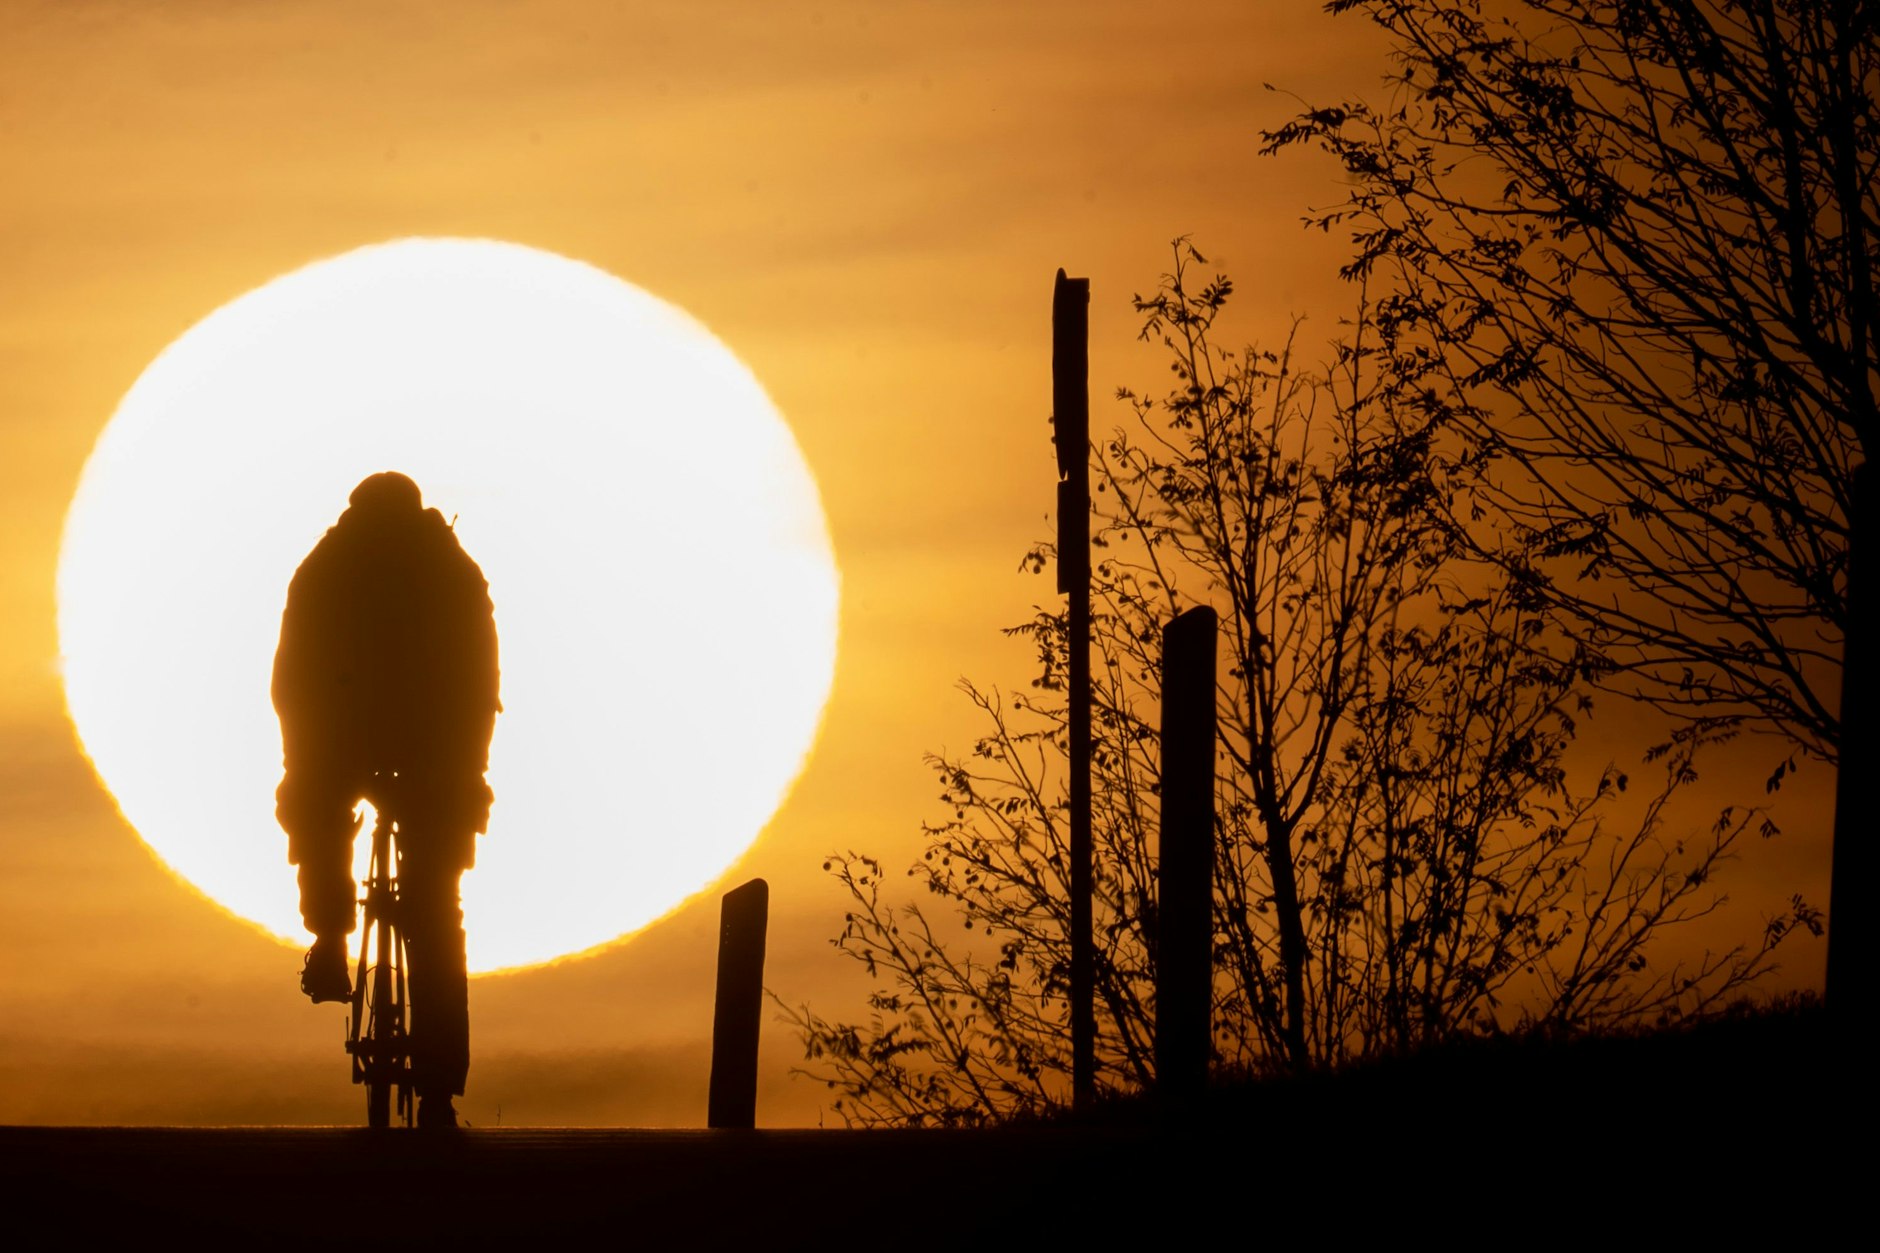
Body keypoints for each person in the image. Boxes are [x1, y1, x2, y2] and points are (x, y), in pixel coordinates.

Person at [272, 471, 500, 1129]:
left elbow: (291, 678)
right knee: (435, 906)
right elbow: (481, 673)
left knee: (315, 808)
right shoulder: (452, 568)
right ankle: (437, 1089)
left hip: (350, 740)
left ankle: (329, 936)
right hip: (435, 751)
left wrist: (302, 757)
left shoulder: (323, 567)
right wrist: (470, 764)